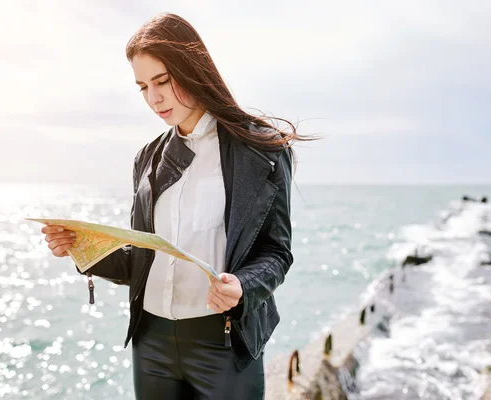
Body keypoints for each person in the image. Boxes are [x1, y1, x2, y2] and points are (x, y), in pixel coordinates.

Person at [40, 12, 313, 400]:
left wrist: (242, 287)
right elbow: (143, 260)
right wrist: (79, 248)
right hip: (151, 343)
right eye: (143, 87)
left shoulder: (260, 149)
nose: (154, 98)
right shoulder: (147, 159)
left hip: (224, 344)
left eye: (163, 81)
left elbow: (276, 252)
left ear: (193, 68)